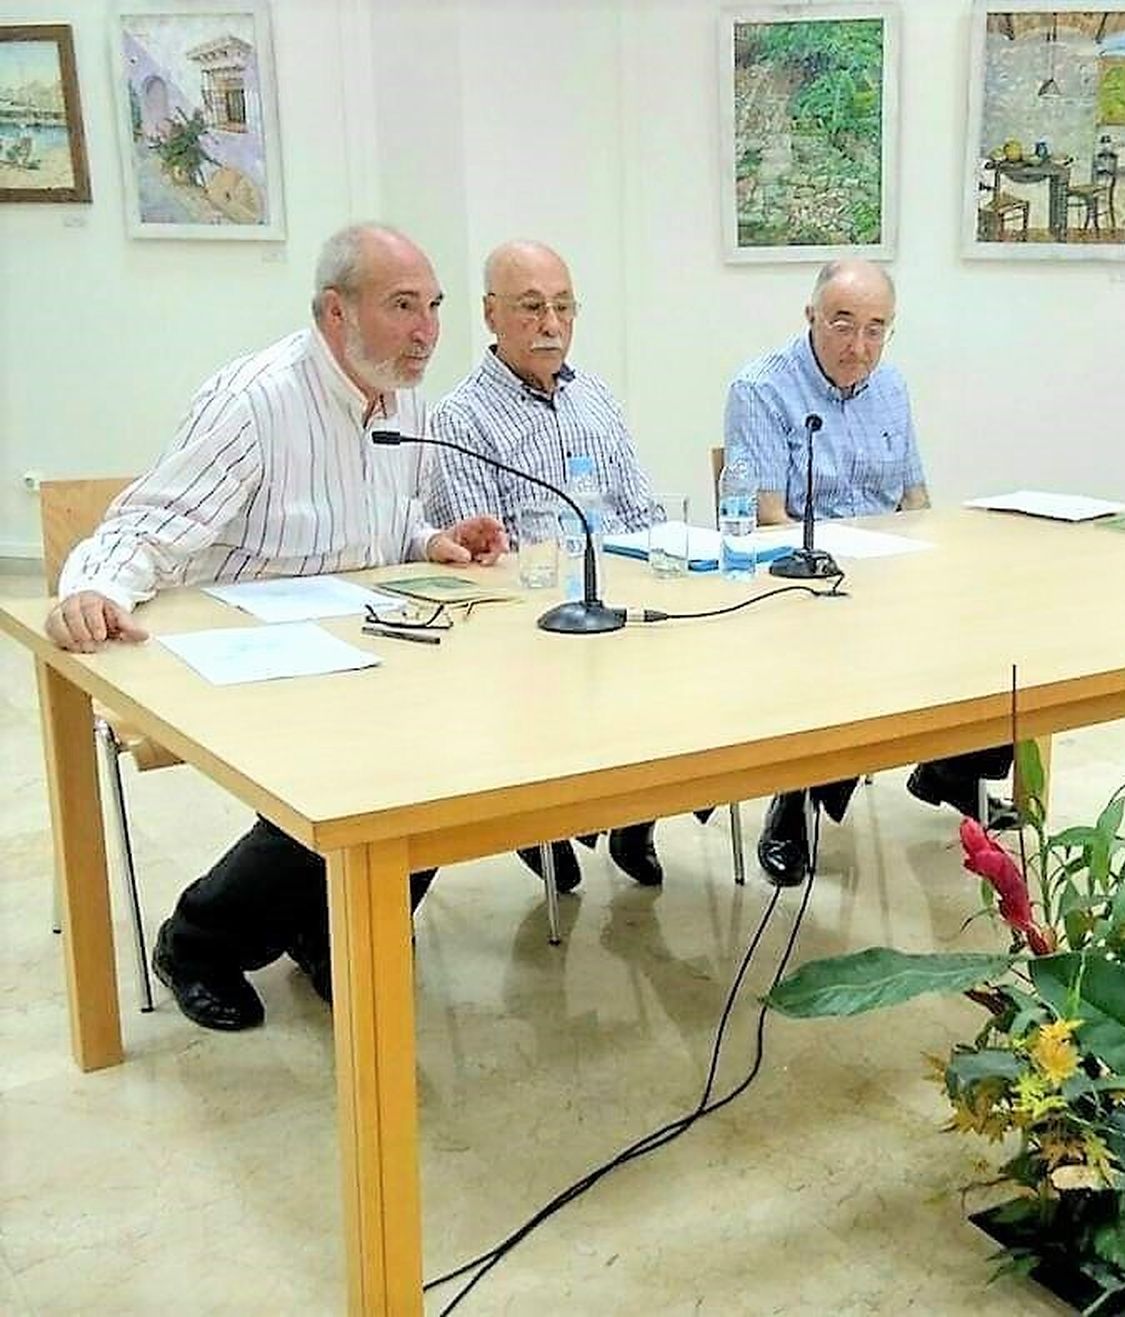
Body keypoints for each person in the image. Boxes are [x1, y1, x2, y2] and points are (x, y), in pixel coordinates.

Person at [47, 223, 508, 1031]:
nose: (428, 331)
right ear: (336, 312)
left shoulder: (404, 400)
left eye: (434, 306)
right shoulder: (255, 402)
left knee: (458, 744)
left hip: (360, 647)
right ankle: (198, 942)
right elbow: (145, 527)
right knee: (372, 763)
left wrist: (431, 541)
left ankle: (327, 924)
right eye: (403, 306)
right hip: (244, 653)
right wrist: (91, 589)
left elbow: (381, 522)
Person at [724, 259, 1013, 886]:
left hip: (889, 571)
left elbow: (915, 496)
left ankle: (952, 769)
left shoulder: (892, 387)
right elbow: (768, 516)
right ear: (811, 318)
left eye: (875, 329)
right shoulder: (761, 389)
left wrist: (939, 561)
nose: (859, 346)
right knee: (835, 646)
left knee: (994, 624)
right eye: (843, 324)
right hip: (807, 583)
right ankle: (794, 803)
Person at [422, 239, 664, 891]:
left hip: (618, 602)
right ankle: (540, 817)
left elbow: (643, 513)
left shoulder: (598, 399)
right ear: (490, 314)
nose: (551, 324)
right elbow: (484, 564)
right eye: (531, 308)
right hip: (533, 632)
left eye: (564, 306)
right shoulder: (461, 418)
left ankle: (635, 814)